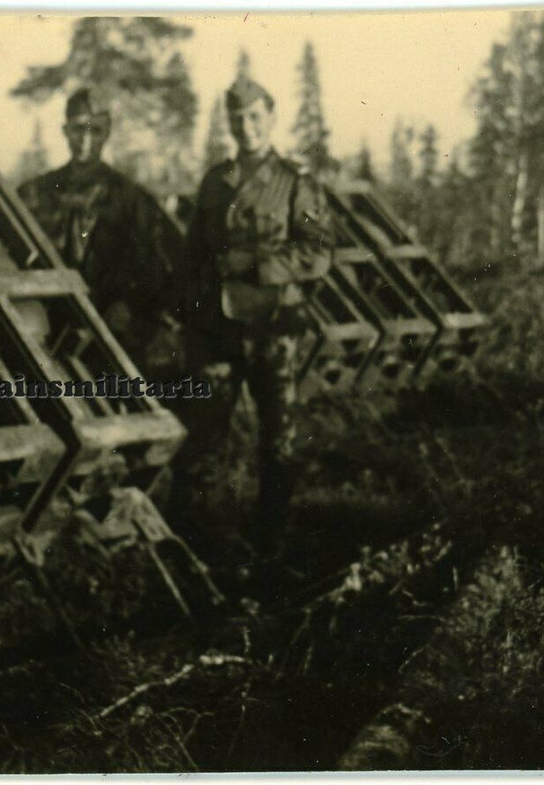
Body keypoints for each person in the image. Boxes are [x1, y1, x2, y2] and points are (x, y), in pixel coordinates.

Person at [170, 75, 334, 557]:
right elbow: (192, 255)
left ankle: (271, 544)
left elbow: (319, 253)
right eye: (237, 119)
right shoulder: (214, 182)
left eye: (255, 117)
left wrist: (258, 266)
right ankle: (194, 546)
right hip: (218, 332)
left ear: (272, 117)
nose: (247, 127)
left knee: (279, 441)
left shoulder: (295, 182)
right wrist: (190, 310)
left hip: (274, 330)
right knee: (202, 439)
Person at [18, 87, 184, 376]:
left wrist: (132, 308)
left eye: (96, 130)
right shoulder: (36, 194)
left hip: (109, 334)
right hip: (47, 329)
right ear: (65, 130)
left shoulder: (131, 198)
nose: (85, 139)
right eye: (78, 128)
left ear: (107, 133)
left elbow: (171, 262)